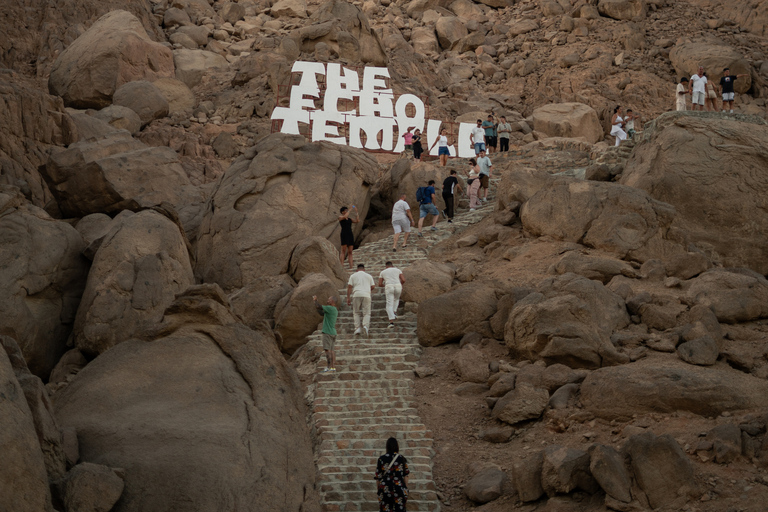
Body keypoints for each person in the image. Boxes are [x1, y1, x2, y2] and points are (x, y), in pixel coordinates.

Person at [374, 437, 409, 512]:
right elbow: (406, 475)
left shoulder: (381, 459)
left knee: (385, 509)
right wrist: (405, 488)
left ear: (387, 447)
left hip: (385, 487)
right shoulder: (401, 458)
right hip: (399, 487)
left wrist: (379, 489)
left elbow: (378, 477)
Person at [347, 264, 375, 337]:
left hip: (356, 294)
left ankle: (357, 328)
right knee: (367, 313)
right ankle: (365, 326)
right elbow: (373, 286)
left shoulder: (353, 276)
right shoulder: (369, 276)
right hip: (366, 294)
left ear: (357, 269)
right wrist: (368, 290)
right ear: (364, 269)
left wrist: (348, 297)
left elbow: (349, 287)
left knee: (356, 312)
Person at [313, 295, 338, 372]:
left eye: (329, 299)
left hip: (327, 332)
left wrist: (315, 300)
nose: (327, 300)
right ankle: (333, 367)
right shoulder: (334, 310)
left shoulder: (330, 308)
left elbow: (318, 306)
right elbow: (321, 313)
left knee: (327, 350)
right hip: (333, 332)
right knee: (332, 350)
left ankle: (328, 367)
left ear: (332, 301)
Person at [378, 262, 404, 328]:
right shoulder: (398, 270)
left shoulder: (383, 272)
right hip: (398, 285)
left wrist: (385, 285)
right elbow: (403, 279)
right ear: (392, 265)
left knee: (389, 304)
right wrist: (400, 284)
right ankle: (394, 312)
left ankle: (391, 322)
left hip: (389, 286)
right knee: (396, 299)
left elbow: (380, 284)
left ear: (386, 266)